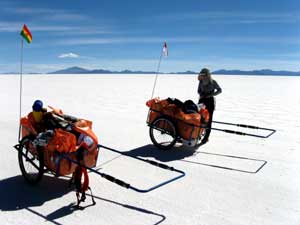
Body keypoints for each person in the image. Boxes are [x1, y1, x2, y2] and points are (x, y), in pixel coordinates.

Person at [197, 68, 222, 144]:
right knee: (199, 118)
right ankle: (198, 133)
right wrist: (201, 94)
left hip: (210, 102)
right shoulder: (201, 81)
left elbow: (219, 90)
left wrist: (211, 95)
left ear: (208, 75)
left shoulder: (213, 82)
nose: (203, 76)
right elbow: (198, 90)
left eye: (204, 75)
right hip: (202, 101)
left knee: (209, 119)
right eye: (202, 75)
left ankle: (206, 137)